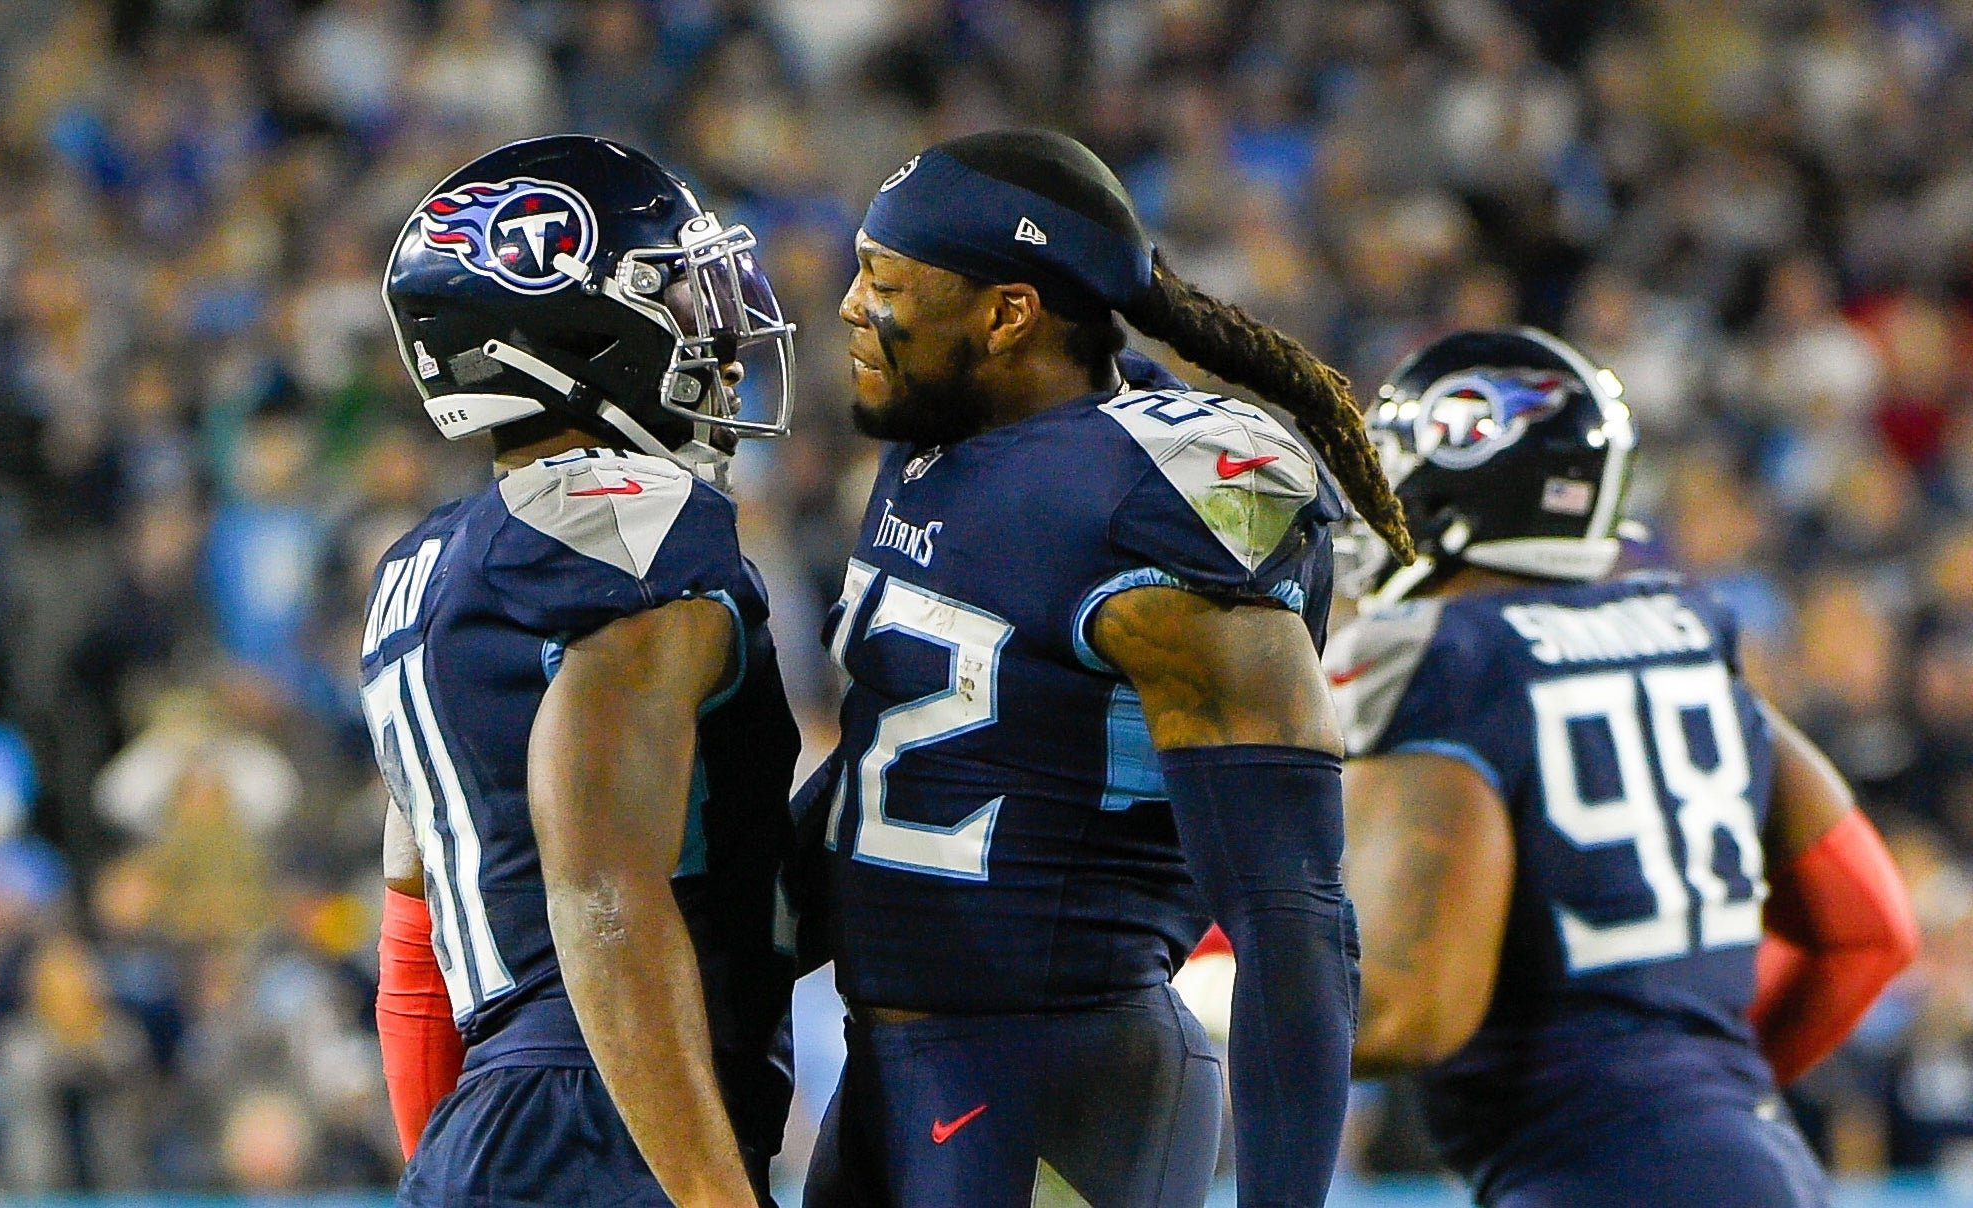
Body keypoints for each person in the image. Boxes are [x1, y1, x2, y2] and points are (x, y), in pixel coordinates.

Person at [802, 129, 1413, 1208]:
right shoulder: (937, 439)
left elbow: (1293, 912)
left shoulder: (1154, 493)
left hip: (1058, 1075)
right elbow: (893, 753)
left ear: (1007, 313)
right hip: (891, 1063)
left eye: (885, 280)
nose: (851, 305)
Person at [1330, 327, 1922, 1207]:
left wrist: (1195, 1004)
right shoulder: (1686, 640)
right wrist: (1711, 1095)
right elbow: (1868, 928)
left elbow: (1407, 1013)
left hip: (1594, 1177)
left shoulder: (1445, 660)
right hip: (1758, 1166)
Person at [364, 135, 803, 1208]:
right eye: (679, 299)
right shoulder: (627, 522)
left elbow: (415, 938)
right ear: (566, 329)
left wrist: (448, 1166)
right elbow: (598, 880)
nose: (722, 340)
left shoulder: (424, 566)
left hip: (499, 1125)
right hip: (608, 1107)